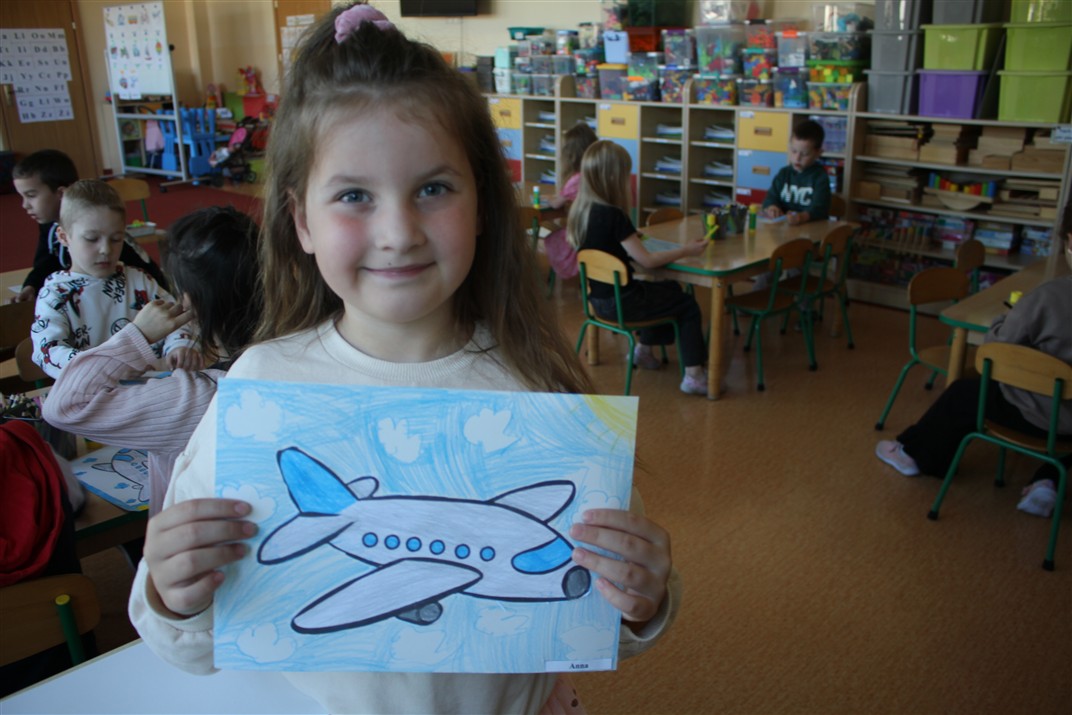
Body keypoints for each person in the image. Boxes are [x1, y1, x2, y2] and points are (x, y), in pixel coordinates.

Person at [127, 5, 681, 714]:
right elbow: (195, 645)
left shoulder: (543, 390)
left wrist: (643, 598)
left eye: (433, 188)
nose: (398, 232)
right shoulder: (262, 389)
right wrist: (172, 593)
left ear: (483, 204)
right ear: (301, 220)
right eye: (354, 195)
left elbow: (599, 615)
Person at [43, 206, 261, 515]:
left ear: (191, 301)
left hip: (185, 536)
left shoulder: (198, 398)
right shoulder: (289, 360)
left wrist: (138, 335)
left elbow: (64, 406)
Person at [876, 202, 1072, 519]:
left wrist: (1001, 322)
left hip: (1039, 416)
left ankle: (913, 455)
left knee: (963, 392)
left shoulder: (1050, 296)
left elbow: (997, 347)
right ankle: (1047, 479)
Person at [567, 139, 710, 395]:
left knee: (669, 289)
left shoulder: (581, 212)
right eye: (625, 174)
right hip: (624, 303)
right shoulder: (614, 215)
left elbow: (608, 247)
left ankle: (643, 350)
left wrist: (631, 238)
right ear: (613, 178)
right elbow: (648, 261)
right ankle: (695, 375)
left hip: (597, 301)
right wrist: (686, 250)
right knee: (687, 305)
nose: (628, 181)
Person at [29, 180, 198, 379]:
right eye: (92, 239)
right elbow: (49, 353)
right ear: (64, 237)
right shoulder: (55, 294)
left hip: (149, 388)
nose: (106, 249)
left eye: (116, 239)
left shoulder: (140, 279)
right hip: (90, 392)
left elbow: (176, 319)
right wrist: (106, 364)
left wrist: (180, 345)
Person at [11, 149, 168, 304]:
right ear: (62, 236)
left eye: (31, 195)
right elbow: (46, 263)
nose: (25, 205)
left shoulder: (105, 231)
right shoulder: (49, 225)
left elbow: (150, 282)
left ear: (61, 194)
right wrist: (31, 286)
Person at [543, 121, 599, 280]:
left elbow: (556, 204)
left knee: (551, 238)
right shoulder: (594, 174)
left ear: (571, 154)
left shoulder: (576, 179)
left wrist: (549, 199)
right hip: (594, 229)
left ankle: (565, 273)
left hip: (580, 233)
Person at [761, 119, 831, 226]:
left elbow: (820, 209)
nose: (797, 158)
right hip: (784, 228)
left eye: (805, 154)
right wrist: (772, 207)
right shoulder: (784, 173)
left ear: (818, 153)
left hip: (810, 228)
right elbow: (770, 198)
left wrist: (802, 217)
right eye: (794, 151)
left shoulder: (820, 177)